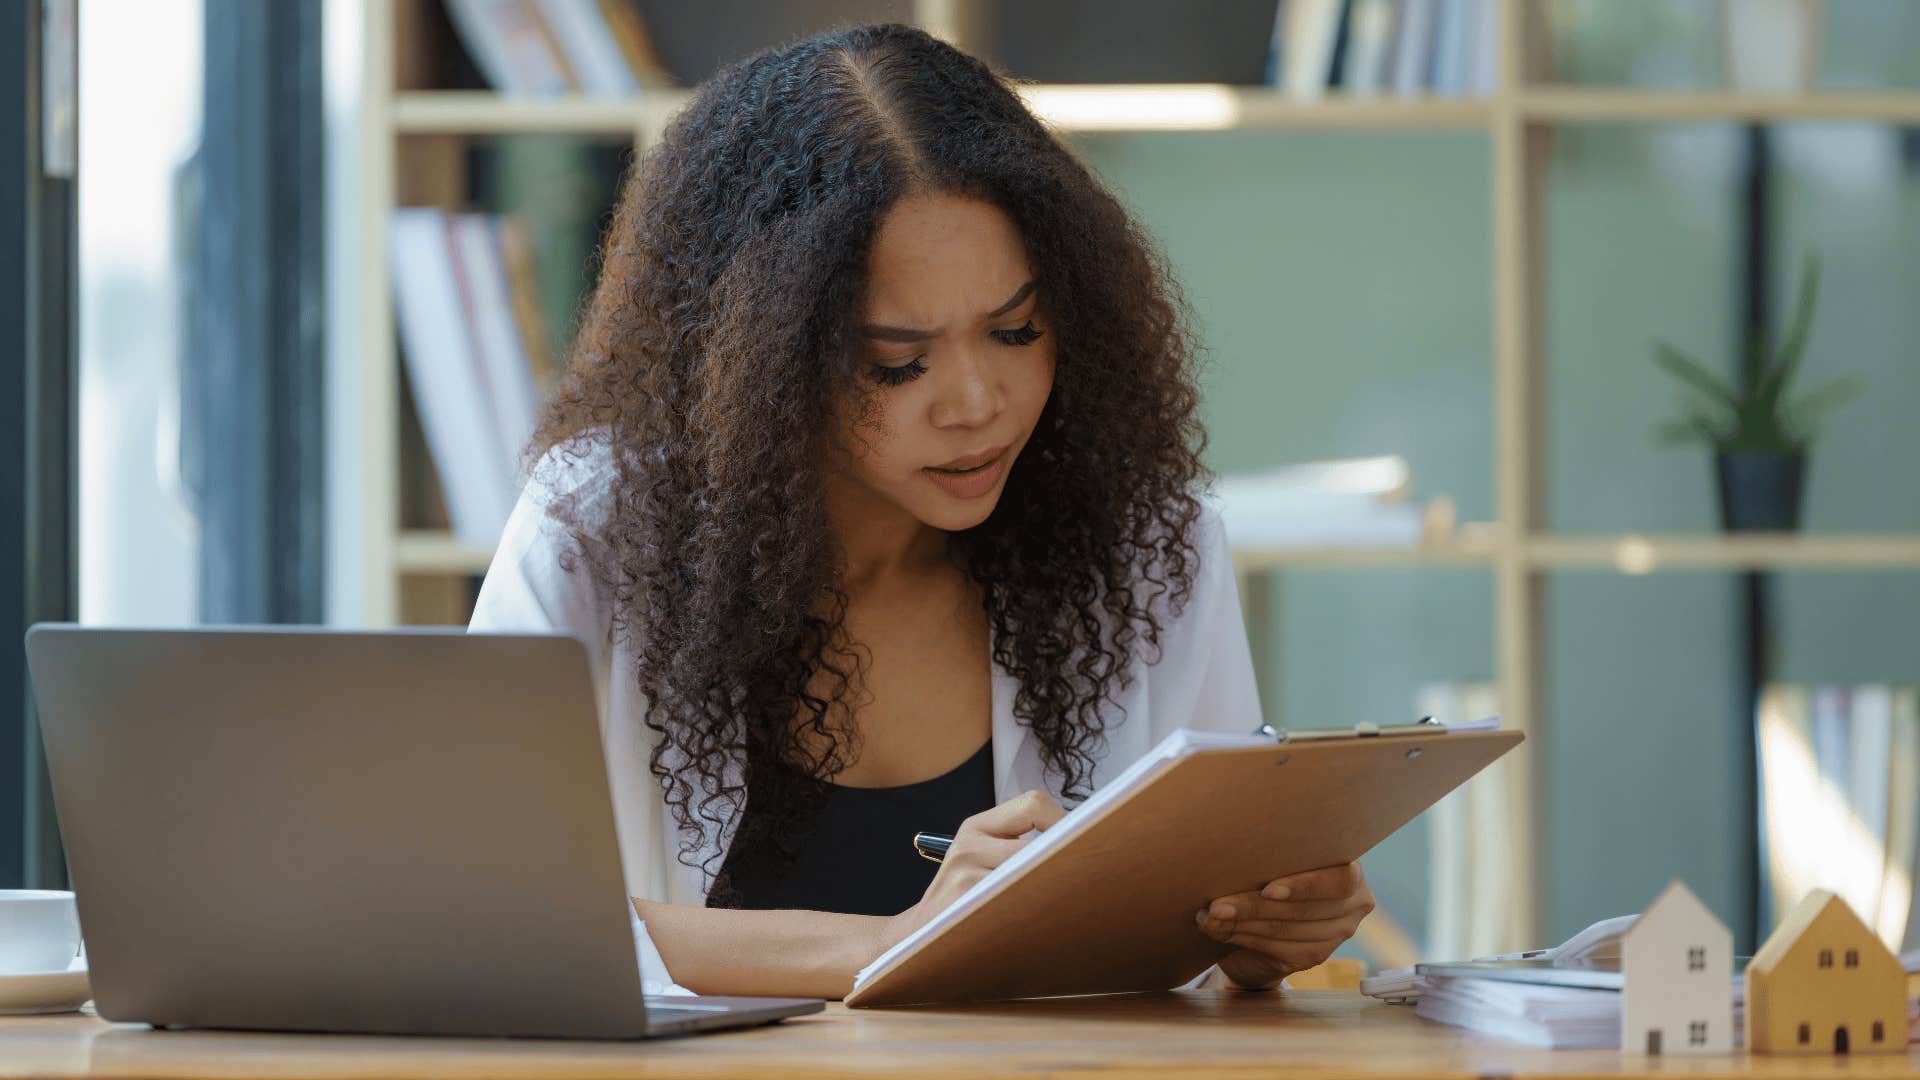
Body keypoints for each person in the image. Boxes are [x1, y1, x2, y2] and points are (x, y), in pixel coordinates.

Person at [469, 22, 1373, 1000]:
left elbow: (1184, 942)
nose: (977, 401)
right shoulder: (599, 531)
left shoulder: (1150, 551)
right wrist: (890, 941)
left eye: (1016, 329)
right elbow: (480, 913)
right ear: (762, 363)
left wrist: (1250, 938)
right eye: (897, 362)